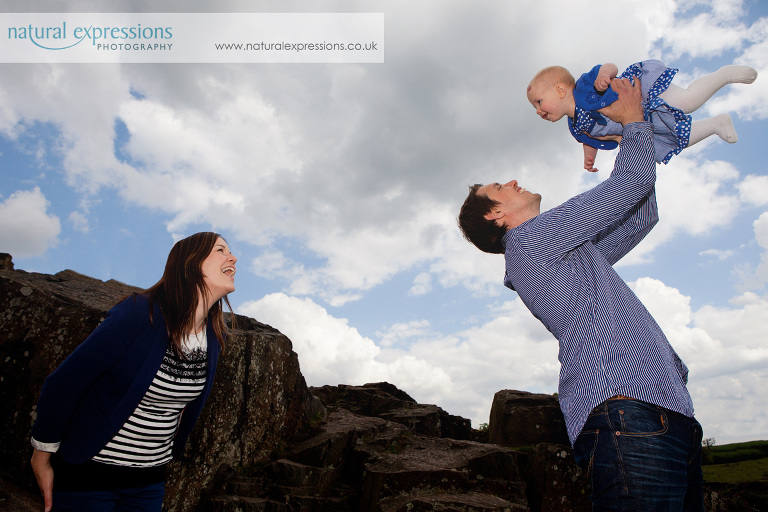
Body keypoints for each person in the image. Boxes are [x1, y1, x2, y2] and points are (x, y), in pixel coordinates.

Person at [459, 78, 703, 511]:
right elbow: (628, 188)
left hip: (663, 413)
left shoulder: (571, 254)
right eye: (499, 186)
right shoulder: (530, 241)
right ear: (496, 214)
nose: (512, 180)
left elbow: (640, 213)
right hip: (628, 410)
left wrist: (632, 133)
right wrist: (631, 122)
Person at [29, 232, 237, 512]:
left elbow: (183, 410)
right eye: (221, 250)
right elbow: (65, 382)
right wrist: (42, 455)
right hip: (91, 477)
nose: (233, 257)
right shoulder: (140, 312)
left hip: (149, 483)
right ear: (191, 262)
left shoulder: (213, 337)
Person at [527, 60, 757, 171]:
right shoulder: (576, 127)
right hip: (642, 125)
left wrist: (605, 76)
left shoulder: (586, 86)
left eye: (539, 101)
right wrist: (590, 157)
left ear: (559, 90)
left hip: (642, 95)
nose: (538, 110)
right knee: (676, 142)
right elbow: (588, 140)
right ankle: (717, 124)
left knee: (688, 101)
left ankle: (724, 75)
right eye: (535, 107)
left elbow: (608, 65)